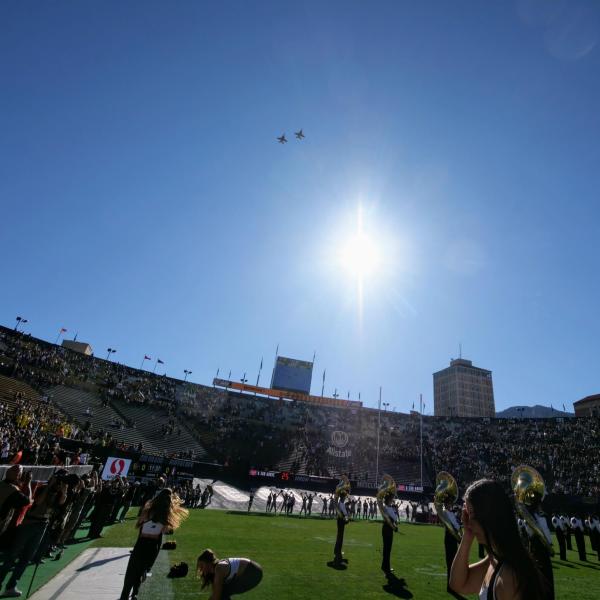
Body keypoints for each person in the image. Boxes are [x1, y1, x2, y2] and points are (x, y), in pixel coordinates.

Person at [449, 479, 547, 600]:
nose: (468, 521)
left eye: (472, 514)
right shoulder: (494, 559)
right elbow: (458, 584)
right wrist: (467, 535)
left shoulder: (509, 577)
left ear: (489, 515)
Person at [119, 488, 188, 600]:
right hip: (153, 546)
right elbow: (166, 531)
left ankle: (125, 595)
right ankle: (135, 592)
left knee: (132, 571)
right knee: (141, 569)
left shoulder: (149, 508)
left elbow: (139, 524)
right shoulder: (166, 514)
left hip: (142, 544)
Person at [197, 549, 263, 600]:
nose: (201, 569)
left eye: (202, 566)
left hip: (253, 572)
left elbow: (216, 596)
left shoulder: (219, 569)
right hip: (251, 571)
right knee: (223, 592)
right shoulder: (215, 571)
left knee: (223, 592)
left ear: (208, 563)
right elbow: (215, 593)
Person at [378, 490, 399, 576]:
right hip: (388, 529)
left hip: (387, 529)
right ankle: (386, 567)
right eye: (392, 498)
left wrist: (394, 524)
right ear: (389, 499)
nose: (393, 499)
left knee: (386, 549)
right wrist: (394, 527)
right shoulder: (387, 508)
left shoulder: (388, 507)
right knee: (387, 549)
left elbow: (393, 518)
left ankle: (385, 566)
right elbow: (391, 519)